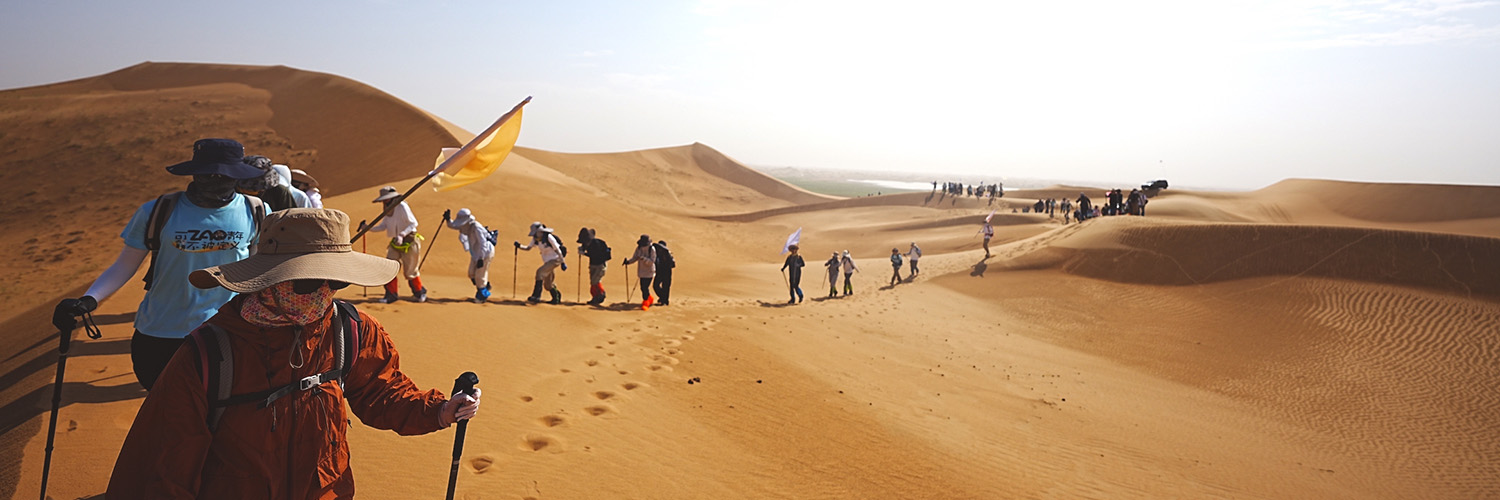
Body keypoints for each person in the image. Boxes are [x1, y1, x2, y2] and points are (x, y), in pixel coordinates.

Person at [105, 208, 481, 499]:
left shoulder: (350, 329)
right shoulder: (209, 353)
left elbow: (380, 391)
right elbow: (165, 463)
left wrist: (439, 410)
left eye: (336, 280)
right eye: (308, 280)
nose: (324, 291)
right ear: (270, 279)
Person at [51, 138, 269, 391]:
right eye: (207, 173)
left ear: (237, 176)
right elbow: (124, 265)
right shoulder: (157, 211)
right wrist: (89, 300)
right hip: (161, 331)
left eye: (223, 175)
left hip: (227, 332)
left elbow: (258, 269)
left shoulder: (257, 211)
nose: (215, 180)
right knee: (165, 406)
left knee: (219, 409)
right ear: (194, 173)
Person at [365, 186, 427, 303]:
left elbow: (413, 223)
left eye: (385, 199)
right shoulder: (387, 209)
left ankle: (420, 292)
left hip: (409, 241)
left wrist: (402, 235)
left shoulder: (402, 206)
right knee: (390, 267)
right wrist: (368, 228)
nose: (384, 201)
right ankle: (391, 295)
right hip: (396, 242)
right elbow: (383, 226)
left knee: (410, 271)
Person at [444, 208, 496, 303]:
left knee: (480, 276)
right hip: (476, 253)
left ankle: (482, 295)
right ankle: (485, 286)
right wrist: (448, 220)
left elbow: (483, 243)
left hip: (485, 253)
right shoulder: (465, 225)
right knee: (471, 273)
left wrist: (481, 258)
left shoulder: (477, 227)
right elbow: (454, 225)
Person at [515, 222, 567, 304]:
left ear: (540, 231)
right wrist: (519, 246)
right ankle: (556, 297)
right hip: (547, 262)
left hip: (555, 259)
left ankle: (536, 296)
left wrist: (563, 262)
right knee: (548, 285)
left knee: (539, 272)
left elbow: (557, 250)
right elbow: (528, 248)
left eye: (535, 233)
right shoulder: (535, 239)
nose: (534, 235)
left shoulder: (549, 237)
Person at [622, 234, 657, 310]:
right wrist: (628, 262)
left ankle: (645, 302)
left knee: (644, 287)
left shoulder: (652, 249)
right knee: (643, 287)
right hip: (641, 271)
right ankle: (649, 298)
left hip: (649, 271)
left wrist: (643, 259)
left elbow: (652, 261)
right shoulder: (639, 248)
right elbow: (635, 258)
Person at [578, 228, 611, 306]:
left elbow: (595, 255)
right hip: (593, 264)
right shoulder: (585, 243)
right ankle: (595, 297)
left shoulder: (596, 244)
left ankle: (601, 294)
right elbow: (586, 251)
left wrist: (584, 253)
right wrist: (581, 250)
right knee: (593, 281)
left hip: (600, 264)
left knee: (595, 281)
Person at [652, 240, 675, 306]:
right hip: (659, 271)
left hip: (667, 271)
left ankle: (665, 301)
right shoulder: (656, 253)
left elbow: (673, 264)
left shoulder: (667, 254)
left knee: (666, 286)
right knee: (656, 285)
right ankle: (662, 297)